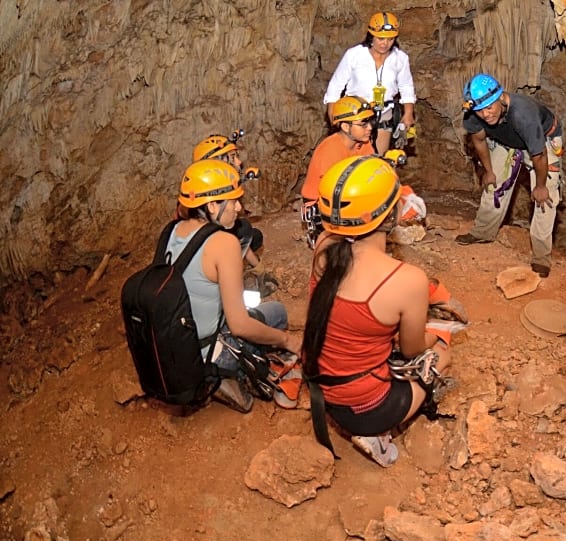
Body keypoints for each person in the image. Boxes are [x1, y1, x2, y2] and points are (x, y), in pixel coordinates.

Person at [302, 155, 451, 467]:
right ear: (389, 215)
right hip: (366, 409)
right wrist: (438, 335)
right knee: (442, 351)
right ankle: (378, 435)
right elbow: (412, 351)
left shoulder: (324, 246)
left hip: (320, 386)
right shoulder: (407, 279)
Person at [173, 158, 303, 413]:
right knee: (277, 313)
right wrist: (287, 340)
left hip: (177, 345)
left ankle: (221, 370)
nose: (239, 207)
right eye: (232, 201)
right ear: (211, 205)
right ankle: (227, 375)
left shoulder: (174, 230)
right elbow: (240, 325)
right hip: (208, 352)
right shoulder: (224, 243)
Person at [456, 73, 564, 278]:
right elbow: (479, 141)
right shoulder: (474, 114)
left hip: (542, 142)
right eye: (480, 111)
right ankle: (482, 233)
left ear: (500, 97)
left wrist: (540, 186)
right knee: (493, 184)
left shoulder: (524, 114)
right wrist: (488, 171)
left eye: (489, 107)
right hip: (508, 140)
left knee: (545, 199)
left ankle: (541, 258)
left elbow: (539, 155)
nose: (486, 115)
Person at [300, 95, 426, 249]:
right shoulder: (330, 150)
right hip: (326, 205)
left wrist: (399, 192)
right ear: (346, 127)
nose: (370, 128)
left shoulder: (362, 144)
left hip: (349, 196)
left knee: (398, 194)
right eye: (363, 124)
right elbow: (336, 194)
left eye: (370, 122)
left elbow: (372, 174)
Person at [193, 133, 276, 295]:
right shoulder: (212, 200)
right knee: (243, 229)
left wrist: (259, 267)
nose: (239, 162)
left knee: (253, 235)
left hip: (208, 248)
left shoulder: (202, 188)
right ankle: (232, 279)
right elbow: (235, 236)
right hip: (204, 263)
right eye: (233, 157)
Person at [323, 11, 415, 155]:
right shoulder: (354, 55)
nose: (385, 43)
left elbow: (406, 87)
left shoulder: (400, 59)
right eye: (381, 39)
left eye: (390, 39)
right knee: (350, 157)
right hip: (355, 115)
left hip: (383, 113)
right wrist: (332, 114)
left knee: (377, 157)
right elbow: (336, 85)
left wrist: (408, 113)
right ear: (371, 35)